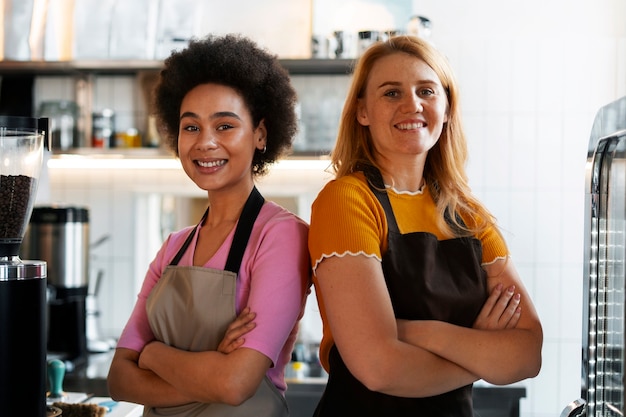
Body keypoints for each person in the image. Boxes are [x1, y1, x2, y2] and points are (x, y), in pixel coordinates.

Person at [307, 35, 543, 416]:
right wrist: (480, 351)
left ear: (447, 108)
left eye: (427, 91)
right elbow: (379, 367)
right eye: (391, 93)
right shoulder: (347, 201)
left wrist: (410, 331)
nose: (412, 104)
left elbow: (527, 355)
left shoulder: (469, 216)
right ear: (362, 111)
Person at [107, 34, 310, 417]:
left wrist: (151, 353)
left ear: (261, 134)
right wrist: (209, 365)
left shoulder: (281, 236)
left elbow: (234, 385)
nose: (206, 143)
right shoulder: (173, 247)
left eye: (225, 126)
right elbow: (119, 380)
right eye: (191, 127)